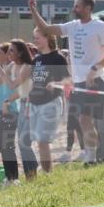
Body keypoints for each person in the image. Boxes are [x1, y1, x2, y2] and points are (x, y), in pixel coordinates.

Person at [29, 0, 104, 165]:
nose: (74, 8)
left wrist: (95, 69)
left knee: (94, 122)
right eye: (75, 5)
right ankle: (92, 158)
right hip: (78, 82)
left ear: (88, 8)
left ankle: (101, 157)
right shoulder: (72, 26)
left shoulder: (100, 26)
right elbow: (46, 29)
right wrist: (33, 9)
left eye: (77, 6)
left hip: (95, 80)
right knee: (83, 120)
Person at [27, 29, 68, 172]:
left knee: (43, 140)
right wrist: (27, 104)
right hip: (34, 104)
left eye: (37, 38)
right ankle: (47, 170)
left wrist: (56, 83)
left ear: (47, 38)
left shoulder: (58, 58)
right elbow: (32, 82)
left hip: (50, 103)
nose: (35, 41)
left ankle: (47, 173)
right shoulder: (36, 59)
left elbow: (68, 79)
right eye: (34, 38)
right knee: (39, 141)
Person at [0, 40, 39, 180]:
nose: (9, 53)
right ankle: (31, 174)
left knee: (24, 143)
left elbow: (12, 85)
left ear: (20, 52)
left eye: (11, 50)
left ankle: (32, 173)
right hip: (24, 104)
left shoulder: (27, 67)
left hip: (32, 105)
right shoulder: (12, 65)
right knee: (22, 143)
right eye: (8, 50)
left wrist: (1, 71)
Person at [0, 44, 20, 183]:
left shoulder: (12, 66)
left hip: (10, 110)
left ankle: (14, 178)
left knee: (8, 145)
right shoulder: (1, 68)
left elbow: (9, 81)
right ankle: (9, 177)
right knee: (2, 146)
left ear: (8, 55)